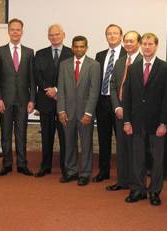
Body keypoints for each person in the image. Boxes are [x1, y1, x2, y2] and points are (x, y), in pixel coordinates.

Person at [123, 33, 167, 206]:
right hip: (136, 122)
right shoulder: (133, 68)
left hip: (157, 123)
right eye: (144, 43)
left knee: (157, 160)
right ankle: (138, 189)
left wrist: (164, 123)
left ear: (156, 45)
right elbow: (127, 97)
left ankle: (154, 191)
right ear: (140, 45)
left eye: (150, 44)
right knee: (138, 158)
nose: (146, 47)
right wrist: (127, 121)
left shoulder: (166, 68)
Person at [57, 35, 100, 186]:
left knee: (86, 144)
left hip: (85, 113)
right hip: (67, 112)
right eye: (76, 46)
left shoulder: (94, 65)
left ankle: (85, 173)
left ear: (86, 48)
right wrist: (61, 110)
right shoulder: (64, 65)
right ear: (72, 47)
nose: (79, 49)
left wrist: (89, 113)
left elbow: (94, 92)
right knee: (69, 143)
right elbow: (60, 90)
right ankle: (71, 171)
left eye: (82, 46)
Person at [0, 18, 35, 176]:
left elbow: (32, 79)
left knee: (21, 133)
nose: (15, 32)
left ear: (22, 31)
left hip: (23, 101)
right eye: (13, 29)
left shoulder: (29, 52)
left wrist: (32, 99)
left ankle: (22, 164)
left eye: (18, 29)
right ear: (9, 31)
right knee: (5, 134)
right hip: (4, 101)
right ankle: (6, 164)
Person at [35, 24, 73, 178]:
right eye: (51, 35)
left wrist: (57, 90)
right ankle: (45, 166)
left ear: (63, 35)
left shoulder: (71, 53)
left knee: (65, 137)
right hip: (45, 101)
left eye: (57, 34)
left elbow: (72, 78)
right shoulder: (40, 53)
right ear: (48, 36)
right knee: (46, 137)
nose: (54, 37)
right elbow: (37, 75)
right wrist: (49, 90)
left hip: (65, 102)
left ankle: (66, 167)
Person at [107, 31, 142, 191]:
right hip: (120, 112)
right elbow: (113, 85)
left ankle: (136, 184)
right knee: (121, 147)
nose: (128, 44)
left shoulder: (144, 61)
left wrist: (129, 110)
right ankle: (122, 181)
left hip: (136, 114)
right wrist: (117, 106)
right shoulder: (120, 62)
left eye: (132, 41)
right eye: (126, 41)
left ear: (139, 43)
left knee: (136, 149)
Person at [93, 24, 126, 182]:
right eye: (109, 34)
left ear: (121, 36)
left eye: (115, 33)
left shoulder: (129, 54)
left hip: (120, 104)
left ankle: (124, 174)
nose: (112, 36)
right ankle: (103, 171)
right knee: (103, 139)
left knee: (122, 141)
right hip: (103, 102)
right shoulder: (100, 55)